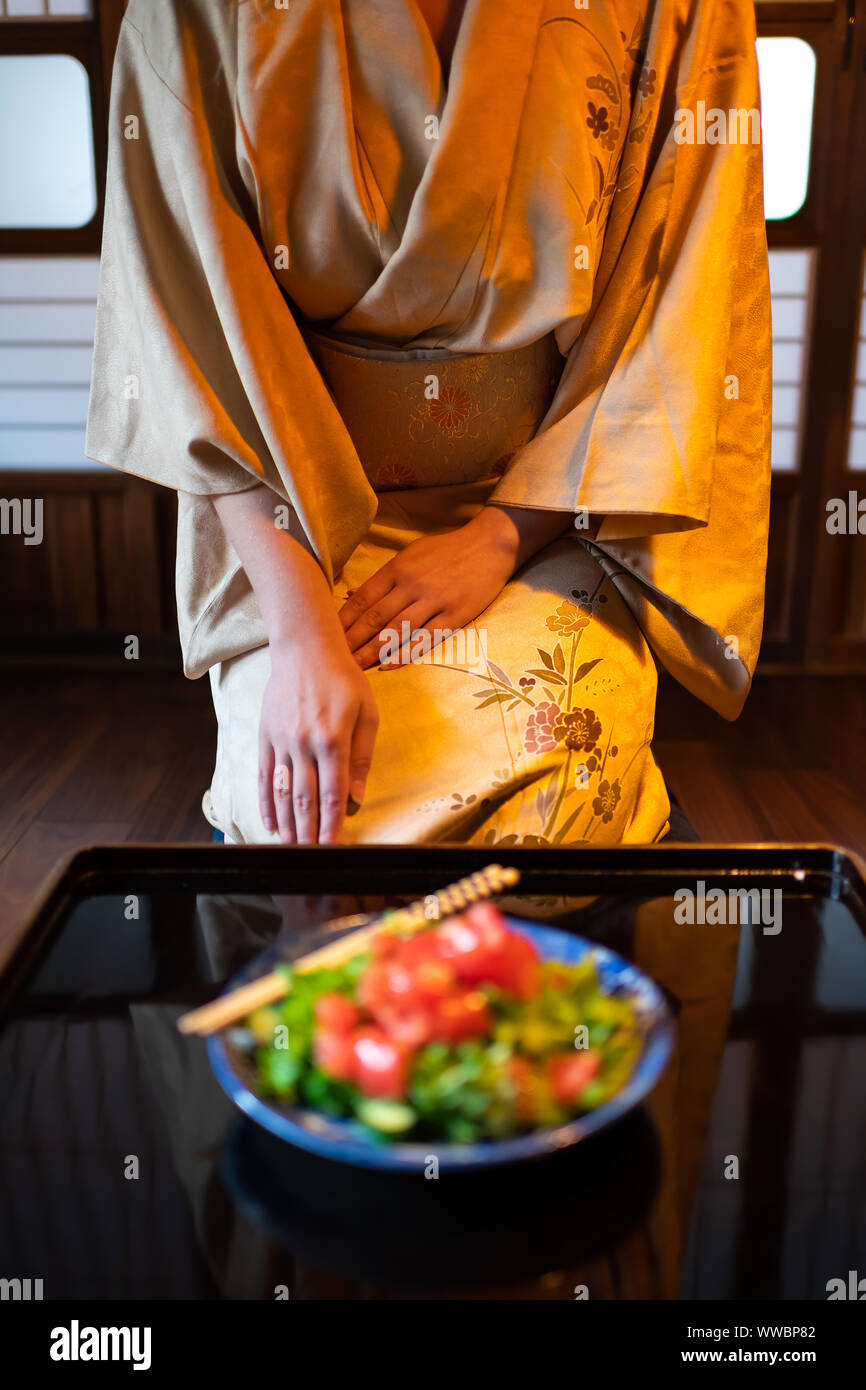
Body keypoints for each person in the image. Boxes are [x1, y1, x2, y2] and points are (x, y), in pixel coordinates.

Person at [86, 0, 771, 847]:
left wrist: (501, 537)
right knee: (308, 811)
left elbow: (680, 290)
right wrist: (302, 635)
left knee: (550, 808)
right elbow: (195, 330)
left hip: (552, 508)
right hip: (297, 520)